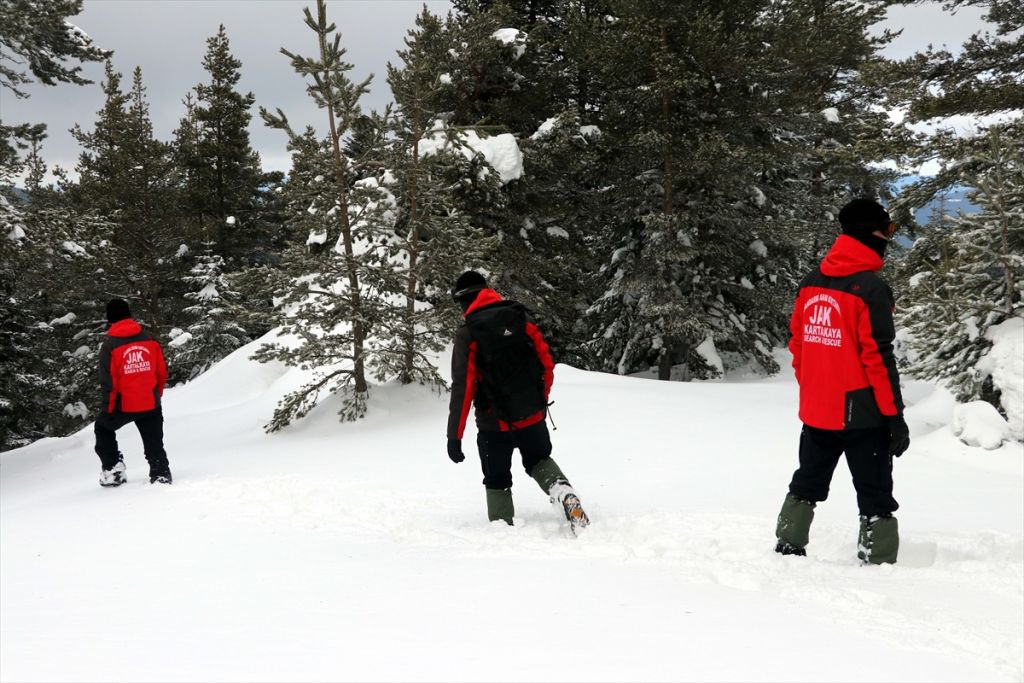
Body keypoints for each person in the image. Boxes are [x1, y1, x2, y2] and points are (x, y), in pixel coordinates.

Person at [774, 198, 910, 564]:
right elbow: (878, 360)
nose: (889, 237)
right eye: (888, 230)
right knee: (875, 491)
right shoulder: (870, 290)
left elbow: (798, 344)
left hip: (818, 407)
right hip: (863, 412)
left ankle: (788, 545)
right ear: (872, 233)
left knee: (808, 480)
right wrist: (893, 415)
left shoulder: (811, 282)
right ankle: (878, 560)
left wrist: (816, 386)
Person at [446, 271, 589, 531]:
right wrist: (538, 402)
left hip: (493, 425)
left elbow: (462, 389)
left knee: (497, 479)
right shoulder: (520, 319)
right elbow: (547, 364)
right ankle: (565, 494)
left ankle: (503, 532)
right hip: (531, 416)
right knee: (539, 460)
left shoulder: (469, 334)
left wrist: (454, 436)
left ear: (464, 300)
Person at [94, 298, 172, 487]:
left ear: (110, 318)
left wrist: (109, 409)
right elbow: (161, 372)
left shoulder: (110, 346)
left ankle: (113, 471)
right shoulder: (149, 339)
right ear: (129, 315)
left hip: (124, 405)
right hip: (150, 402)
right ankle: (161, 473)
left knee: (103, 428)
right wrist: (155, 396)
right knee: (154, 443)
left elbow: (109, 383)